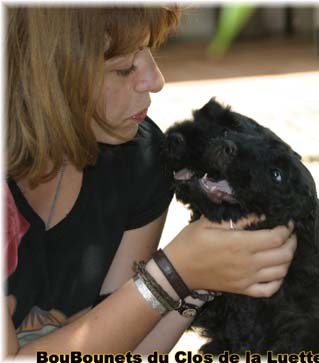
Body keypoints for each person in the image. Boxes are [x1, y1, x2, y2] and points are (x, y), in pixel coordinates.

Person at [5, 6, 297, 357]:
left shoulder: (140, 158)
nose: (155, 80)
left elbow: (125, 348)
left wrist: (197, 280)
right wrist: (173, 271)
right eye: (123, 67)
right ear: (43, 77)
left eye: (149, 51)